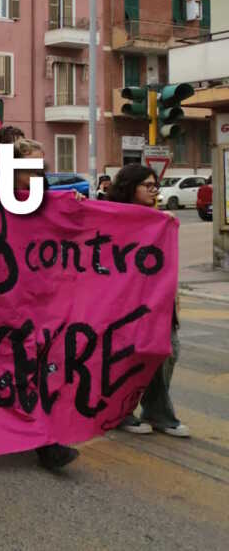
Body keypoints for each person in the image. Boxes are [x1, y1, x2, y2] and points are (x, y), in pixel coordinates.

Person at [7, 137, 82, 471]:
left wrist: (77, 203)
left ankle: (46, 442)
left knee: (37, 370)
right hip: (0, 302)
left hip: (39, 301)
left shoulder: (49, 199)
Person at [108, 164, 190, 438]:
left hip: (159, 301)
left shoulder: (158, 219)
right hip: (128, 303)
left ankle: (153, 411)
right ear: (131, 187)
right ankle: (128, 411)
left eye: (156, 185)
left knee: (168, 352)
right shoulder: (114, 218)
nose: (154, 191)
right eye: (148, 185)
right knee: (133, 358)